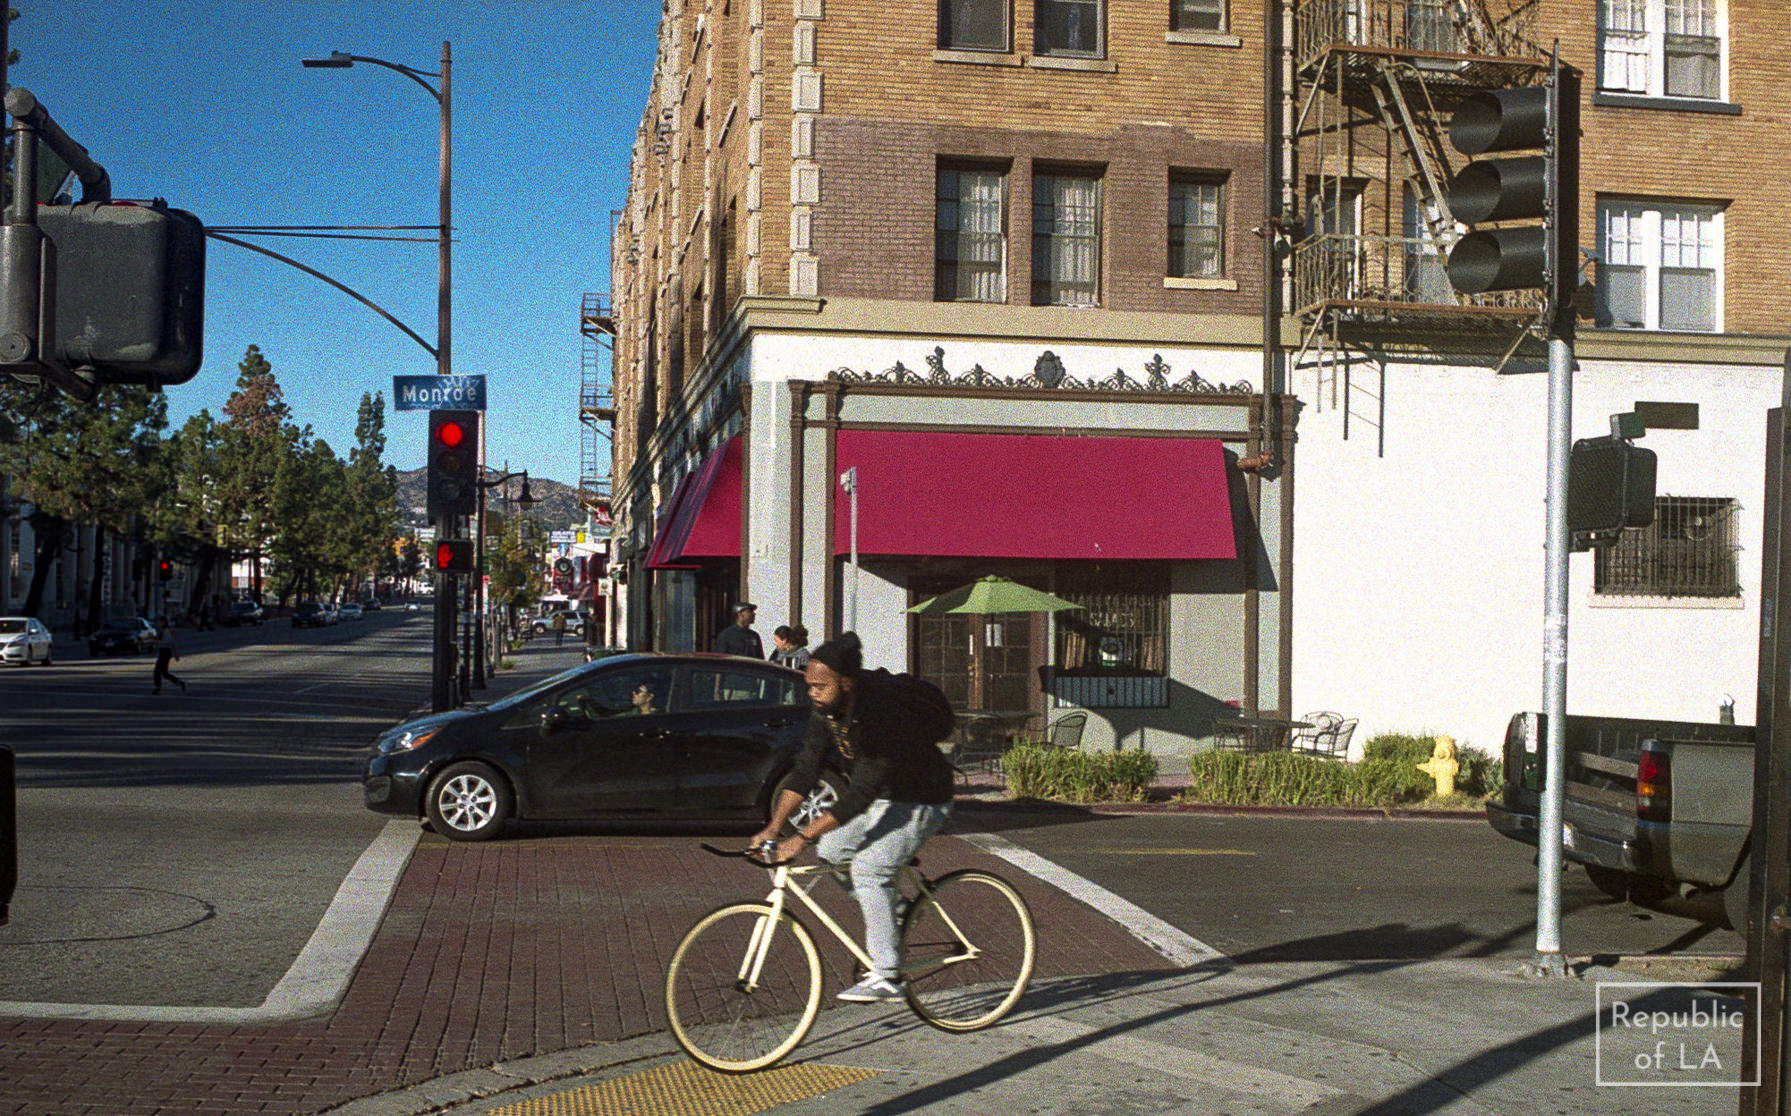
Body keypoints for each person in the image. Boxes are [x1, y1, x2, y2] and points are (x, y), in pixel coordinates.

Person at [748, 632, 957, 1003]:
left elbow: (859, 795)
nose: (812, 693)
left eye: (820, 686)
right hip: (883, 797)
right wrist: (774, 827)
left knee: (868, 870)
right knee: (832, 851)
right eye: (809, 686)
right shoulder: (825, 711)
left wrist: (801, 837)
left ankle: (889, 976)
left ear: (846, 683)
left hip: (921, 799)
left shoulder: (881, 715)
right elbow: (805, 769)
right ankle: (899, 913)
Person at [151, 619, 187, 694]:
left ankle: (158, 687)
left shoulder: (167, 631)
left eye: (160, 622)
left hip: (165, 652)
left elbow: (169, 642)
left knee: (157, 670)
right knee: (164, 673)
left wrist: (157, 641)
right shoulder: (162, 630)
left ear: (164, 622)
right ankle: (180, 682)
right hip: (162, 651)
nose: (159, 623)